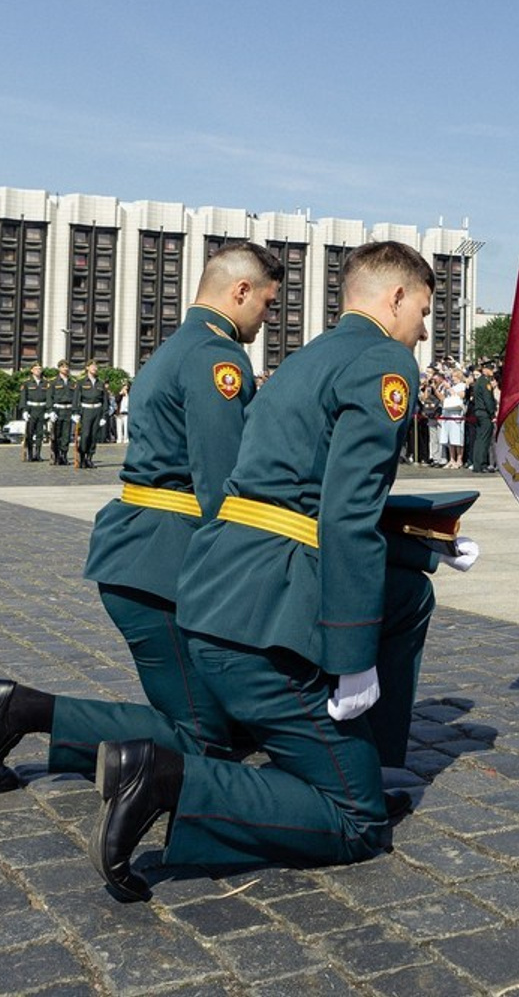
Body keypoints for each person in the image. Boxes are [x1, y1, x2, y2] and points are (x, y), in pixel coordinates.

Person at [47, 240, 433, 899]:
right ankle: (166, 781)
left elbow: (283, 492)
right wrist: (352, 657)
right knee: (354, 817)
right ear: (394, 297)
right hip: (257, 607)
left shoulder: (306, 358)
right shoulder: (382, 360)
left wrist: (420, 542)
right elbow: (342, 514)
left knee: (406, 594)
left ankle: (360, 754)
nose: (424, 330)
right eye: (423, 311)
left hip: (208, 591)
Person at [81, 243, 284, 751]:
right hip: (161, 568)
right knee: (205, 737)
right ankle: (25, 711)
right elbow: (224, 486)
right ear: (241, 291)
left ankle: (26, 713)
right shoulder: (216, 355)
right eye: (266, 303)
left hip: (143, 557)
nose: (266, 319)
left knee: (218, 724)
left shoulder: (178, 346)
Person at [73, 359, 110, 469]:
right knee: (85, 435)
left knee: (94, 436)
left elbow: (105, 401)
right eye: (92, 366)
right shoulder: (81, 382)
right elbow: (76, 399)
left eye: (96, 366)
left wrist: (104, 415)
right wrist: (76, 412)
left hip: (97, 411)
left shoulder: (100, 383)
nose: (95, 368)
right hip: (86, 411)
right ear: (87, 368)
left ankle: (89, 458)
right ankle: (83, 456)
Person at [17, 363, 51, 463]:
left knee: (40, 434)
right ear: (32, 370)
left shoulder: (46, 383)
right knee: (30, 433)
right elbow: (23, 398)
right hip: (31, 410)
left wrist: (48, 410)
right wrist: (25, 411)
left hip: (41, 409)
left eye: (39, 369)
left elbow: (48, 398)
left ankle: (38, 454)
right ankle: (30, 454)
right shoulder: (27, 383)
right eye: (36, 369)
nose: (38, 370)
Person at [470, 360, 498, 472]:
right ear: (485, 370)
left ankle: (477, 464)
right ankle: (482, 464)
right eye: (490, 369)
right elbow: (488, 400)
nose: (492, 371)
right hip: (485, 413)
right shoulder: (485, 383)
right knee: (484, 440)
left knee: (479, 439)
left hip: (478, 412)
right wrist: (492, 413)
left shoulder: (478, 382)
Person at [48, 360, 77, 466]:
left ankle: (64, 455)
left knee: (66, 435)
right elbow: (49, 397)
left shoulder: (72, 382)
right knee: (56, 434)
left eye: (67, 367)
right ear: (59, 368)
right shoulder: (53, 382)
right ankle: (56, 455)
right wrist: (50, 411)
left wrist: (75, 412)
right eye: (63, 367)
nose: (66, 369)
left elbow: (75, 398)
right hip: (57, 410)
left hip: (68, 410)